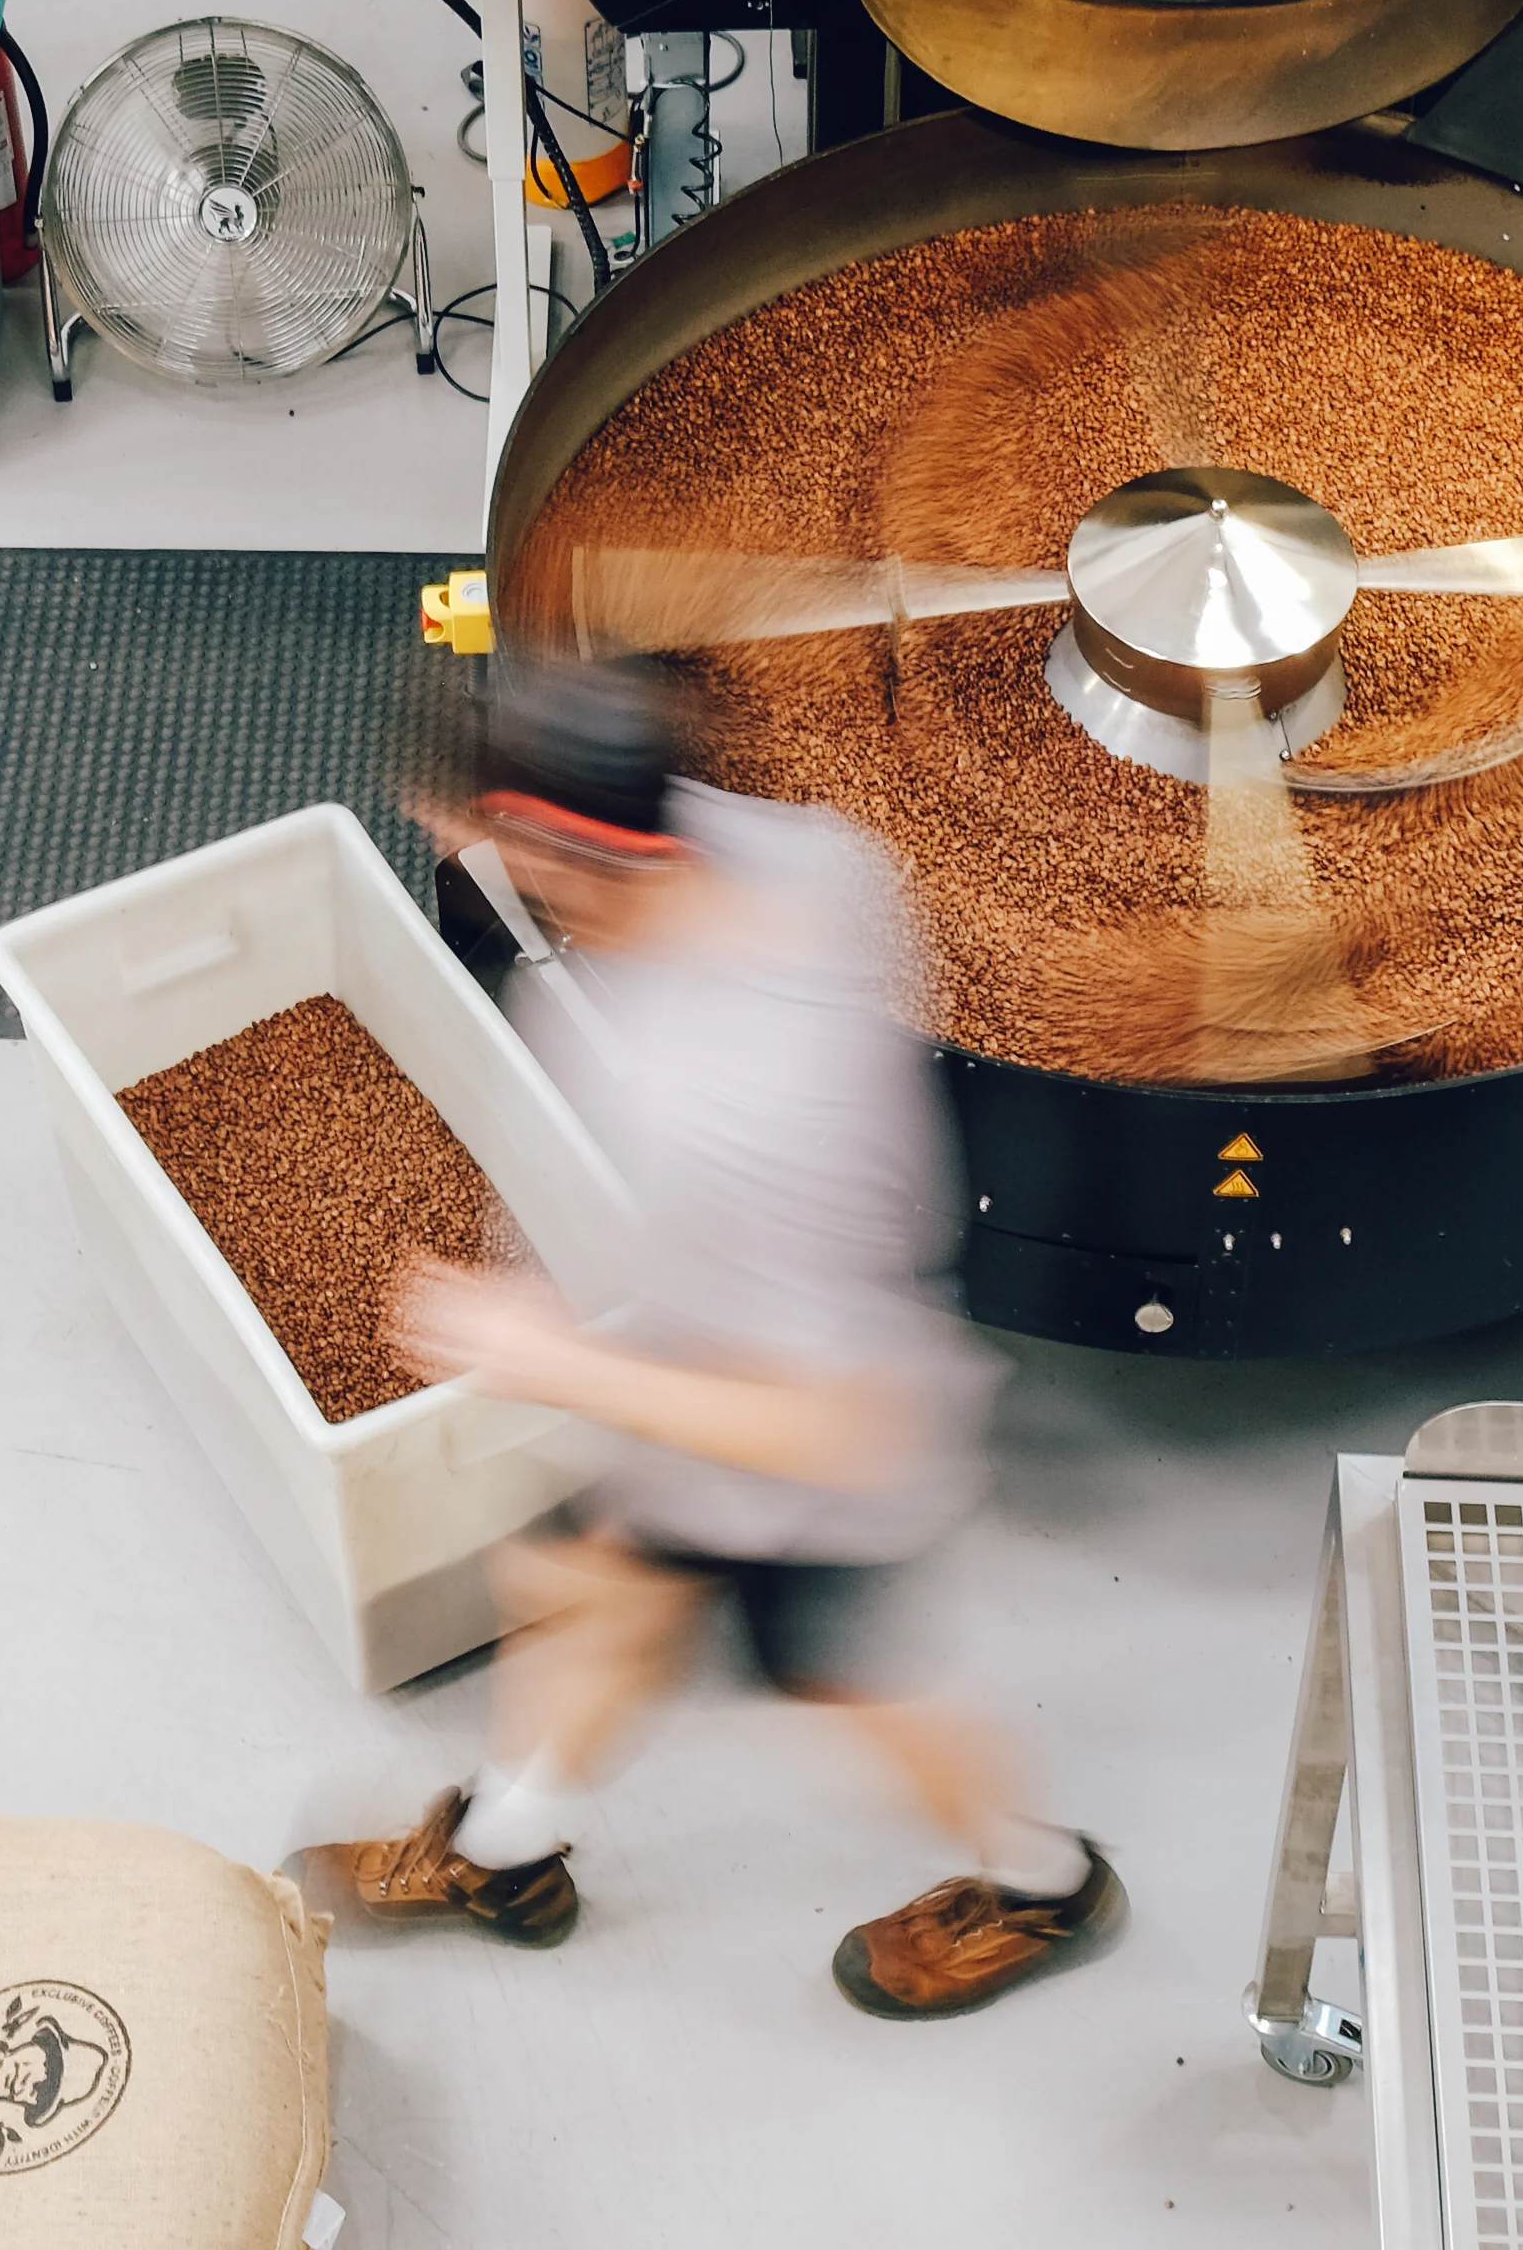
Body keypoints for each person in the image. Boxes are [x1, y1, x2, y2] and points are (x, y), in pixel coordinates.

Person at [301, 658, 1119, 2018]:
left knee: (860, 1693)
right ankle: (505, 1851)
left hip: (807, 1477)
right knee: (580, 1599)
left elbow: (836, 1423)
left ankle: (1047, 1880)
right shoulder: (794, 853)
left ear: (562, 848)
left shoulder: (728, 1097)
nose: (449, 850)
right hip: (676, 1404)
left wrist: (547, 1355)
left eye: (466, 833)